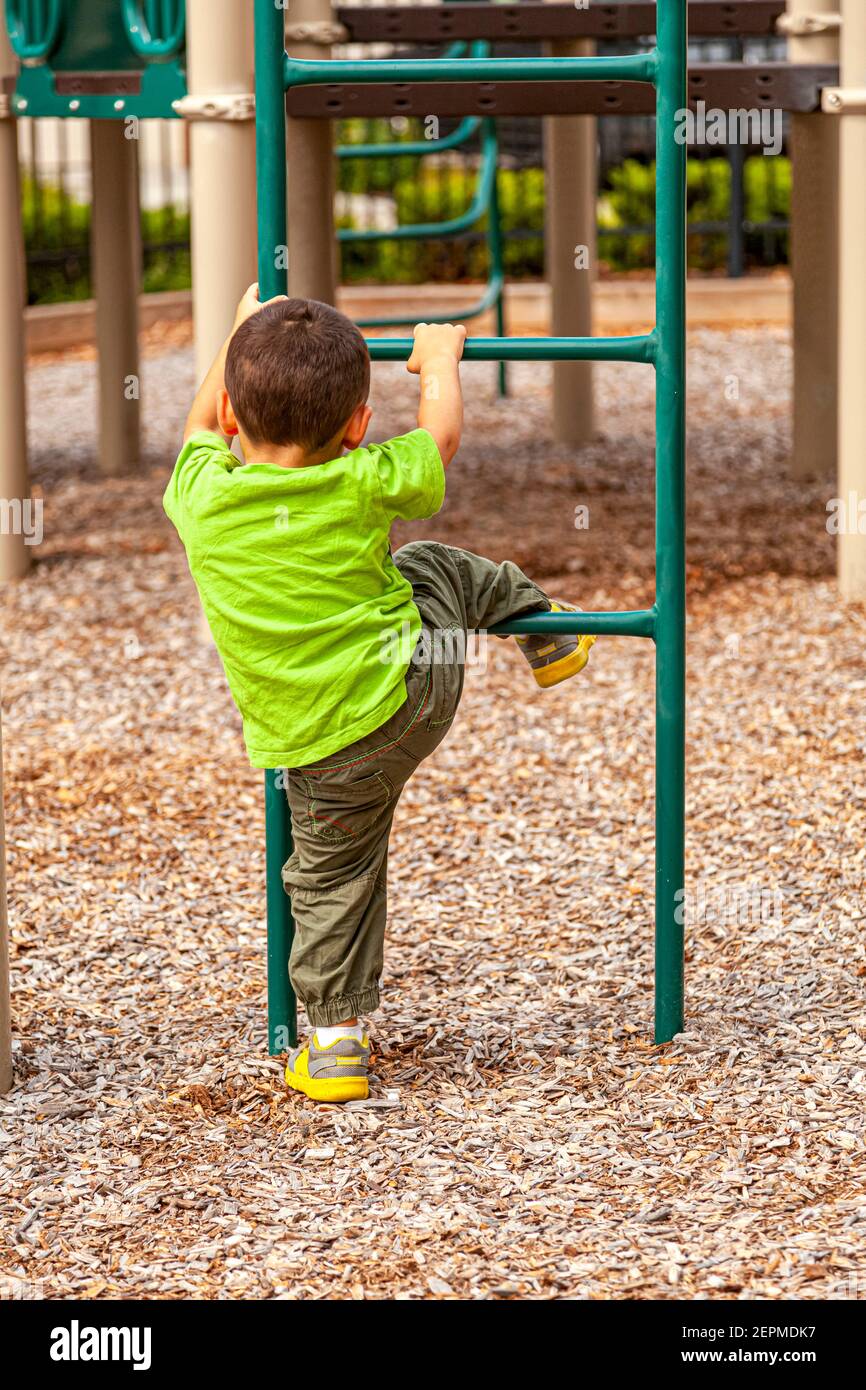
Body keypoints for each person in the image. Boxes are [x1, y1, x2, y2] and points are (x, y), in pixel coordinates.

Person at [164, 285, 596, 1103]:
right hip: (413, 689)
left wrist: (231, 330)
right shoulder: (364, 476)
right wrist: (438, 363)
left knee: (330, 876)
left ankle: (331, 1046)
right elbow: (441, 437)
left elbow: (194, 429)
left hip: (319, 745)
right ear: (358, 425)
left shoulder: (201, 495)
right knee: (430, 563)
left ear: (230, 411)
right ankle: (542, 628)